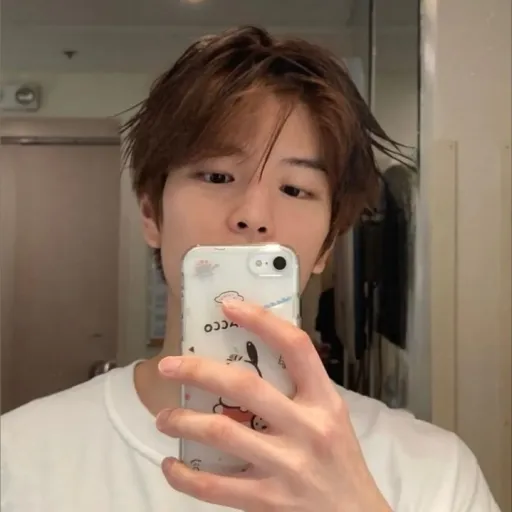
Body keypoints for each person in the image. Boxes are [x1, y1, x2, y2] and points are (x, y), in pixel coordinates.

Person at [1, 26, 500, 512]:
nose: (253, 216)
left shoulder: (434, 472)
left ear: (326, 244)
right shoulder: (19, 456)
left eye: (295, 188)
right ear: (151, 214)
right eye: (217, 176)